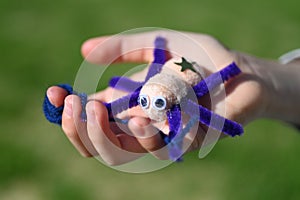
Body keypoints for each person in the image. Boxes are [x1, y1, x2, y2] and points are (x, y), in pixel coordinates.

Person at [45, 30, 300, 166]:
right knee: (114, 108)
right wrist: (261, 80)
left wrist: (241, 70)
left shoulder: (182, 101)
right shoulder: (143, 93)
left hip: (186, 75)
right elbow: (137, 87)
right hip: (168, 81)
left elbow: (208, 92)